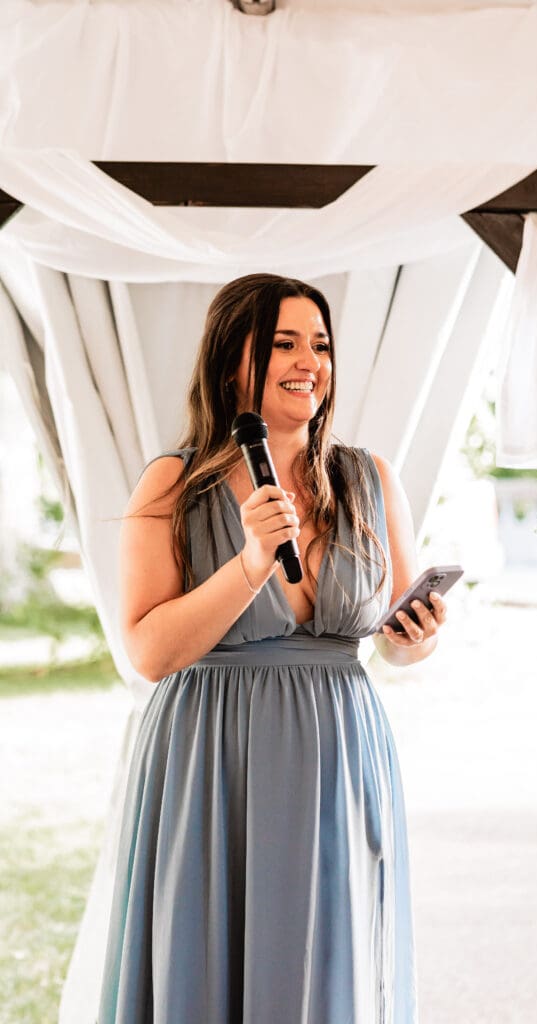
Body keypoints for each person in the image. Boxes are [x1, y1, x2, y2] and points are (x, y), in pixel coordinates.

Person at [97, 273, 447, 1024]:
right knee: (206, 964)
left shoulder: (370, 479)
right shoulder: (174, 482)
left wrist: (415, 639)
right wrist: (250, 561)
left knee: (327, 970)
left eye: (319, 344)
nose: (308, 360)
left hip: (338, 757)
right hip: (211, 757)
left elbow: (395, 645)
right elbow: (148, 652)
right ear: (233, 363)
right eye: (283, 342)